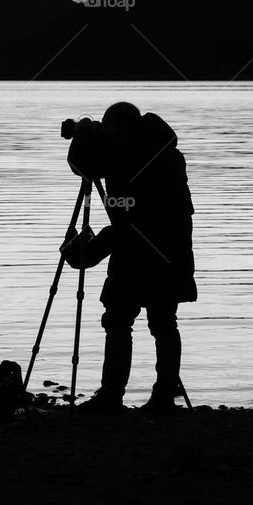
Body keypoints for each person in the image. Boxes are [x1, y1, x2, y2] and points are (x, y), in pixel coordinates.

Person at [63, 101, 197, 414]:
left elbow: (83, 163)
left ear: (119, 129)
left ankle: (112, 395)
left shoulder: (129, 150)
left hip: (139, 251)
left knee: (119, 320)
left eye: (108, 131)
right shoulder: (161, 148)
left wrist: (83, 131)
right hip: (170, 250)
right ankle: (163, 396)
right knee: (163, 323)